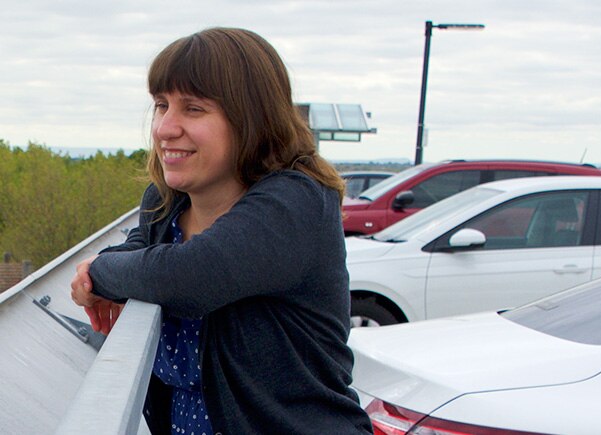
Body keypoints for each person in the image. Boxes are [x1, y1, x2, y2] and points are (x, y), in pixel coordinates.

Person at [70, 27, 373, 435]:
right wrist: (107, 270)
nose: (164, 128)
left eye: (193, 109)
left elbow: (188, 277)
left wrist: (99, 273)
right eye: (162, 105)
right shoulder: (164, 204)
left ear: (252, 117)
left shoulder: (295, 203)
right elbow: (135, 257)